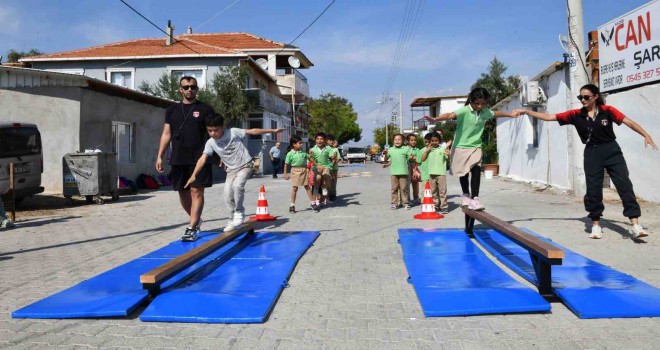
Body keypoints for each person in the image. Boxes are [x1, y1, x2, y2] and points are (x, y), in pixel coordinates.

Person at [513, 84, 657, 239]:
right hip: (592, 152)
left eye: (586, 97)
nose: (582, 100)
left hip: (612, 150)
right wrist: (527, 111)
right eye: (580, 97)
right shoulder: (576, 115)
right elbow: (550, 117)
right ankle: (596, 225)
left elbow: (628, 122)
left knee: (624, 186)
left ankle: (635, 224)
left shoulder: (608, 111)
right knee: (594, 189)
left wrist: (646, 135)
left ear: (595, 97)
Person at [184, 115, 284, 233]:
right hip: (231, 170)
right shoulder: (210, 143)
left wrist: (273, 130)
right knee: (226, 195)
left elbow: (253, 131)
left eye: (216, 130)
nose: (213, 133)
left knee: (237, 186)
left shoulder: (232, 132)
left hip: (246, 165)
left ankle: (239, 212)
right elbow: (203, 158)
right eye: (209, 130)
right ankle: (232, 220)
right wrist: (194, 175)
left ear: (222, 128)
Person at [434, 87, 519, 211]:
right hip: (460, 146)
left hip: (475, 146)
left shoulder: (485, 112)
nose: (480, 106)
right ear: (471, 101)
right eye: (477, 103)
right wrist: (436, 119)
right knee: (463, 173)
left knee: (476, 170)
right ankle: (466, 195)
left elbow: (495, 113)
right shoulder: (464, 110)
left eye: (483, 104)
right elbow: (450, 115)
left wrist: (510, 114)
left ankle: (475, 199)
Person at [156, 76, 216, 241]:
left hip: (200, 158)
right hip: (178, 157)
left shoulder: (206, 109)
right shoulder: (172, 110)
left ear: (197, 89)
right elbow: (166, 133)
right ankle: (195, 219)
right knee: (182, 192)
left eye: (193, 87)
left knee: (196, 191)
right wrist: (159, 155)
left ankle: (192, 226)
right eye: (186, 87)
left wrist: (221, 154)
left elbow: (215, 133)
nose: (190, 89)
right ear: (180, 90)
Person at [283, 135, 315, 213]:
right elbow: (286, 164)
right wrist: (285, 174)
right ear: (294, 144)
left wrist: (315, 164)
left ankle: (313, 203)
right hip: (295, 170)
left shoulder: (303, 152)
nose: (301, 144)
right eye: (299, 143)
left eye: (301, 143)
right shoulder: (290, 154)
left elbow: (309, 158)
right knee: (295, 188)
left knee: (307, 187)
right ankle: (292, 205)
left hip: (304, 170)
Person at [422, 132, 451, 214]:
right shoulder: (429, 150)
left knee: (442, 191)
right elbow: (422, 159)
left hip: (441, 173)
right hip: (431, 174)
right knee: (433, 191)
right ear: (430, 141)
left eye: (436, 140)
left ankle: (444, 206)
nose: (434, 142)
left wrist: (449, 155)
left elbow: (448, 159)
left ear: (439, 141)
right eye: (432, 141)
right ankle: (435, 205)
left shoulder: (443, 149)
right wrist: (426, 151)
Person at [383, 134, 413, 210]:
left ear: (402, 141)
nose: (397, 141)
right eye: (395, 139)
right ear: (393, 141)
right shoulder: (390, 149)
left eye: (399, 139)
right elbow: (387, 159)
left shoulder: (406, 149)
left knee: (404, 188)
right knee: (394, 188)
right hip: (394, 173)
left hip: (403, 172)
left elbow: (410, 158)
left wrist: (412, 157)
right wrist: (385, 154)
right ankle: (394, 203)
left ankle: (405, 203)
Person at [309, 132, 336, 210]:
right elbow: (311, 159)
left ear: (324, 140)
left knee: (327, 178)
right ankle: (315, 199)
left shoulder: (328, 148)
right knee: (317, 178)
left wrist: (333, 157)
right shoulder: (312, 149)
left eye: (321, 139)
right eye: (318, 139)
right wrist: (317, 165)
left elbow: (332, 157)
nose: (319, 141)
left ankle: (325, 188)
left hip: (326, 167)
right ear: (315, 140)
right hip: (316, 167)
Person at [407, 134, 423, 206]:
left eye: (415, 140)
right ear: (408, 141)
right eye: (411, 140)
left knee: (415, 183)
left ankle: (416, 198)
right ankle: (407, 199)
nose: (413, 142)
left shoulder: (417, 150)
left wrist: (415, 170)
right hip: (406, 168)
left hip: (415, 168)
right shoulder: (405, 149)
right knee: (406, 184)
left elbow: (418, 160)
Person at [326, 134, 340, 201]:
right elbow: (327, 157)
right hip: (328, 168)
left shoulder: (336, 149)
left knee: (334, 181)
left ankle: (333, 194)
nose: (331, 142)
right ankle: (328, 194)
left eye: (332, 140)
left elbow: (338, 158)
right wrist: (332, 158)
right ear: (326, 141)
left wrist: (335, 160)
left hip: (335, 168)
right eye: (329, 140)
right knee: (329, 181)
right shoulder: (326, 149)